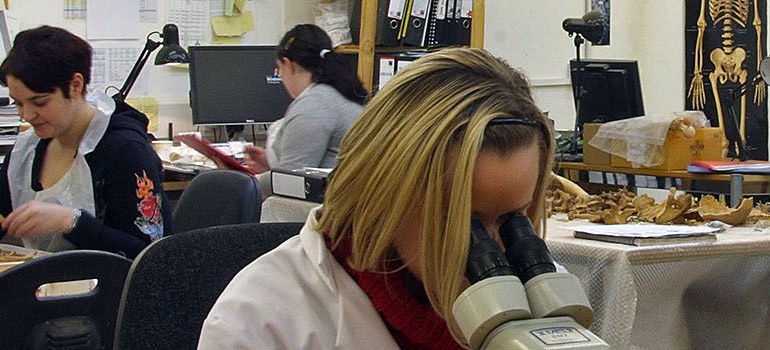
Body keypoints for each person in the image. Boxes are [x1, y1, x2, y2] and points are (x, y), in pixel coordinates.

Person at [199, 48, 554, 349]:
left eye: (512, 222)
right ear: (381, 198)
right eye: (465, 225)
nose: (496, 253)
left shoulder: (535, 296)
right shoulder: (262, 320)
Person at [0, 26, 165, 258]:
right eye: (18, 103)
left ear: (75, 85)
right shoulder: (29, 148)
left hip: (107, 290)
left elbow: (149, 256)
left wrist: (72, 222)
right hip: (46, 286)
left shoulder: (125, 151)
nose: (26, 115)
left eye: (39, 102)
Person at [239, 24, 367, 177]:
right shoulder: (340, 93)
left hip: (324, 199)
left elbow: (289, 184)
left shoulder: (313, 106)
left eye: (279, 69)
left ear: (288, 65)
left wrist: (247, 180)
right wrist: (271, 165)